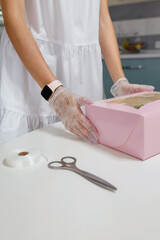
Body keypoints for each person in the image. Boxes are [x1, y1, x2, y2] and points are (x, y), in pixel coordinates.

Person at [0, 0, 154, 145]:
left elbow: (103, 21)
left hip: (84, 76)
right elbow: (13, 17)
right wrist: (55, 93)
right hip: (31, 73)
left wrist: (120, 81)